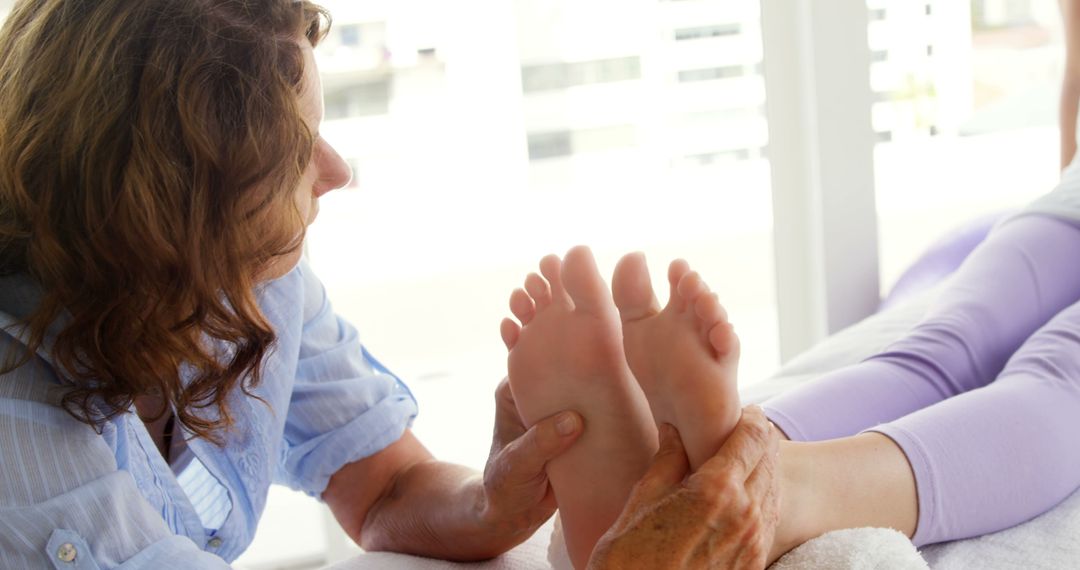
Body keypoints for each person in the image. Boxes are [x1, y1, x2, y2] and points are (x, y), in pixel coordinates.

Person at [0, 0, 781, 568]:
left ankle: (627, 474)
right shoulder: (20, 452)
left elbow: (383, 487)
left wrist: (491, 503)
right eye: (292, 154)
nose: (337, 173)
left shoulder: (242, 279)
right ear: (167, 216)